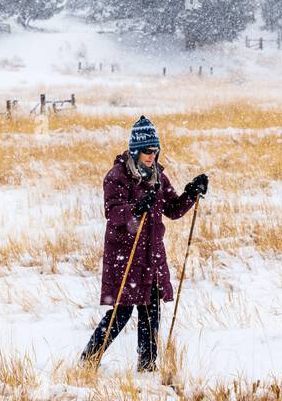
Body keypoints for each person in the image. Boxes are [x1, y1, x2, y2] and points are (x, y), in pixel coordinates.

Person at [81, 115, 208, 371]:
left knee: (151, 312)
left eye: (155, 150)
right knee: (122, 312)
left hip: (151, 257)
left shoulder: (158, 177)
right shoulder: (117, 176)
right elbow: (113, 211)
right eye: (147, 151)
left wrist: (191, 193)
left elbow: (172, 209)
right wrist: (135, 208)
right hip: (126, 256)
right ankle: (88, 360)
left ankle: (147, 368)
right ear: (135, 151)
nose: (152, 156)